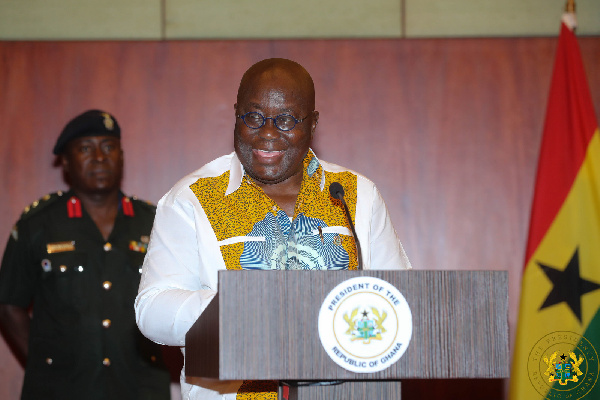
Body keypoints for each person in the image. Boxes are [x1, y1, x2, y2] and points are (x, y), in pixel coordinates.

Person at [135, 58, 412, 399]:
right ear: (236, 115)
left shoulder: (355, 194)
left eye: (285, 120)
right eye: (253, 117)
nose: (267, 133)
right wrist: (252, 308)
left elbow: (402, 302)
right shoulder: (193, 198)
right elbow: (153, 309)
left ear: (313, 123)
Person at [0, 110, 171, 399]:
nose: (99, 157)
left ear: (121, 156)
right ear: (66, 162)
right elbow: (8, 303)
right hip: (60, 391)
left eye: (108, 147)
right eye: (85, 149)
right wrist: (47, 364)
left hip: (140, 387)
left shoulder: (155, 223)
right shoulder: (38, 225)